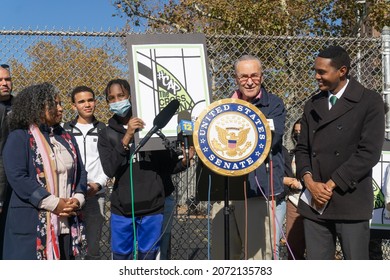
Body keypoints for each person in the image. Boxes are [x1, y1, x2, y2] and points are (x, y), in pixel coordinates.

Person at [295, 45, 385, 260]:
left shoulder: (370, 102)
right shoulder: (312, 104)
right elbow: (302, 149)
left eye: (322, 72)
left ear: (342, 71)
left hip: (350, 201)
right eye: (315, 71)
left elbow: (368, 153)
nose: (316, 76)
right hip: (315, 203)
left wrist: (330, 184)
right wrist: (310, 183)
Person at [97, 78, 193, 260]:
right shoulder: (106, 134)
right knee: (120, 256)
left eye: (121, 96)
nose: (117, 101)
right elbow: (110, 169)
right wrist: (127, 137)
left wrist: (184, 161)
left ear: (131, 97)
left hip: (153, 207)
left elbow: (166, 167)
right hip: (122, 208)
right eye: (112, 98)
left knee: (149, 256)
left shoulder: (153, 127)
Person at [211, 55, 286, 260]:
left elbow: (273, 138)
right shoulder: (222, 107)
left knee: (258, 258)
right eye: (244, 76)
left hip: (258, 192)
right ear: (236, 79)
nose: (250, 81)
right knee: (223, 255)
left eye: (254, 75)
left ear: (261, 77)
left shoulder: (274, 105)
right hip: (226, 190)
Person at [2, 82, 87, 260]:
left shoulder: (66, 137)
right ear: (38, 107)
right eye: (54, 104)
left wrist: (77, 199)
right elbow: (18, 177)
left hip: (67, 220)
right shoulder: (20, 137)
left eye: (60, 103)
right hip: (32, 224)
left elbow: (81, 173)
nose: (61, 108)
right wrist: (53, 203)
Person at [63, 86, 108, 260]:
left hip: (96, 194)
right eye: (81, 101)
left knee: (93, 248)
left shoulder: (103, 129)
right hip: (70, 196)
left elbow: (108, 163)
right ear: (74, 106)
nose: (87, 104)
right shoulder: (64, 130)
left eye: (90, 100)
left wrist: (98, 184)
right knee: (69, 245)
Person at [283, 118, 305, 260]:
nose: (298, 135)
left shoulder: (318, 153)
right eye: (295, 132)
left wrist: (302, 184)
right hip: (294, 200)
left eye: (301, 132)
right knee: (293, 246)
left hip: (314, 199)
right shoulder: (291, 154)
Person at [0, 64, 13, 259]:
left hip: (15, 187)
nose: (4, 83)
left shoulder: (19, 107)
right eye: (0, 80)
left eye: (7, 79)